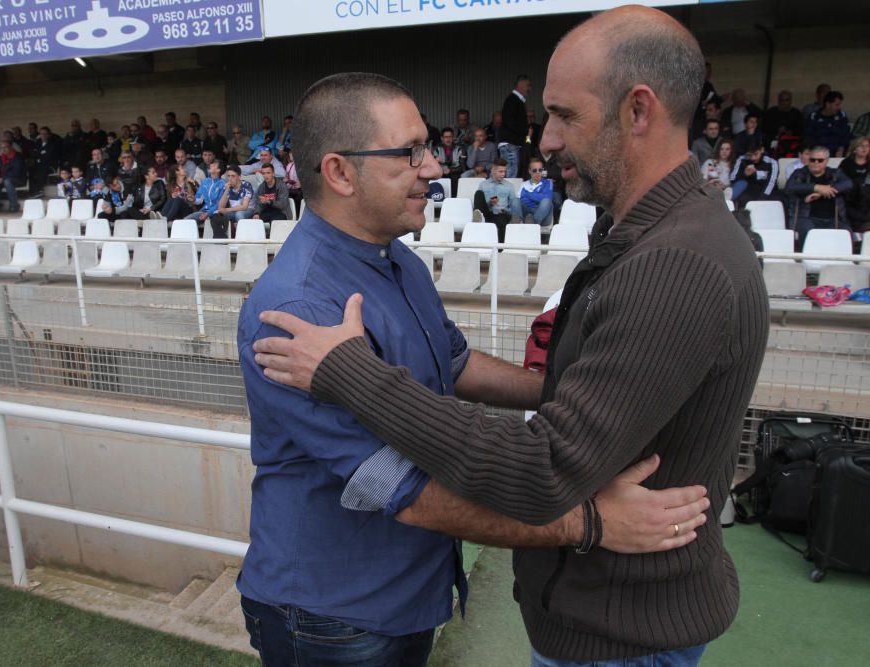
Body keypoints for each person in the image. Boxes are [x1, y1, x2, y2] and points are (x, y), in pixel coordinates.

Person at [252, 9, 769, 665]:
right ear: (340, 173)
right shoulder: (301, 306)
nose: (435, 165)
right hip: (334, 611)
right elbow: (397, 487)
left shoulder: (673, 259)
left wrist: (350, 371)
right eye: (408, 151)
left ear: (637, 111)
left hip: (605, 627)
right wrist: (590, 517)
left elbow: (532, 450)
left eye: (564, 115)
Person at [784, 145, 853, 243]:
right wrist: (816, 187)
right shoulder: (800, 173)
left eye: (820, 160)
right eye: (812, 160)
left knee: (846, 233)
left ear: (827, 161)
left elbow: (848, 184)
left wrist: (822, 192)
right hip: (806, 218)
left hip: (833, 219)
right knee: (809, 234)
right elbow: (790, 187)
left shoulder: (835, 173)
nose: (816, 163)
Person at [474, 158, 520, 242]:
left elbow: (514, 205)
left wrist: (505, 210)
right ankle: (479, 217)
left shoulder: (509, 186)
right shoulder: (484, 184)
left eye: (504, 172)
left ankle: (500, 249)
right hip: (488, 213)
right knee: (478, 193)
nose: (503, 174)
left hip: (502, 214)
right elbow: (481, 203)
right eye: (500, 172)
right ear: (493, 170)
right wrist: (490, 203)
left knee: (501, 220)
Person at [500, 75, 531, 178]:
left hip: (513, 144)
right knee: (510, 174)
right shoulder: (513, 100)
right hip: (510, 144)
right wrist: (526, 131)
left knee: (513, 173)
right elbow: (510, 122)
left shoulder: (516, 101)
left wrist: (527, 136)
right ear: (520, 85)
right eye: (528, 85)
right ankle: (507, 194)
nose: (530, 89)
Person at [730, 140, 779, 206]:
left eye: (756, 154)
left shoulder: (772, 163)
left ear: (762, 150)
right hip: (747, 191)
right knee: (742, 199)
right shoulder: (741, 159)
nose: (753, 158)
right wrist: (744, 175)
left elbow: (771, 182)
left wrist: (762, 198)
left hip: (766, 191)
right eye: (750, 155)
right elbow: (733, 179)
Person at [210, 165, 253, 239]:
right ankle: (221, 238)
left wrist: (227, 210)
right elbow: (220, 207)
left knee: (239, 215)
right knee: (215, 214)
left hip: (248, 210)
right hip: (234, 211)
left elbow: (244, 206)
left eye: (233, 176)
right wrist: (226, 191)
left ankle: (243, 238)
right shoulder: (227, 187)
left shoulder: (246, 185)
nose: (230, 179)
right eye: (228, 176)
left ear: (239, 177)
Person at [804, 91, 851, 158]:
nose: (839, 107)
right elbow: (808, 136)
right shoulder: (814, 116)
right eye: (837, 104)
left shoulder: (841, 115)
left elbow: (846, 135)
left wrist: (841, 149)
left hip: (838, 153)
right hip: (818, 154)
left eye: (840, 104)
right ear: (828, 104)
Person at [839, 136, 869, 233]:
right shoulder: (846, 163)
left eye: (867, 146)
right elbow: (840, 181)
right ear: (855, 149)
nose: (864, 149)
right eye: (861, 146)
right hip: (851, 199)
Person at [518, 158, 554, 227]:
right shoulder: (524, 184)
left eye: (540, 170)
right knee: (516, 201)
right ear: (529, 171)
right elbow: (521, 201)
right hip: (528, 214)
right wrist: (539, 196)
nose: (538, 172)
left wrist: (528, 194)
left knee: (546, 201)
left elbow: (548, 198)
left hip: (544, 218)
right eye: (534, 170)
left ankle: (533, 224)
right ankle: (531, 224)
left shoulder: (549, 182)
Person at [194, 160, 226, 234]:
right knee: (185, 221)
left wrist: (208, 213)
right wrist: (193, 199)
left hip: (216, 213)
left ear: (219, 170)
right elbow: (199, 200)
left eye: (214, 165)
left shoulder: (223, 184)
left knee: (186, 221)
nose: (211, 165)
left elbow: (219, 204)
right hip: (204, 210)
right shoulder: (205, 181)